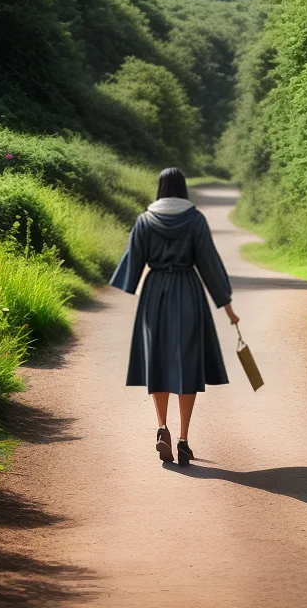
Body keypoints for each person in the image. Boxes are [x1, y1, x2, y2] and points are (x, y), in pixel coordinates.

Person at [110, 168, 239, 465]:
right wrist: (227, 305)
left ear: (159, 188)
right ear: (183, 189)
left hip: (155, 295)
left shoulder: (145, 220)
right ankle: (183, 440)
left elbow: (132, 263)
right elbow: (209, 264)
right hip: (188, 294)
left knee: (158, 362)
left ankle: (162, 428)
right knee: (187, 366)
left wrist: (125, 291)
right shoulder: (195, 220)